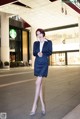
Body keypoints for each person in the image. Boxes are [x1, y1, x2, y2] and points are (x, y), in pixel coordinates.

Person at [30, 28, 52, 116]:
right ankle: (42, 105)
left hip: (44, 63)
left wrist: (43, 53)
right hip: (38, 63)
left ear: (43, 33)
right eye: (37, 34)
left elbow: (50, 51)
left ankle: (34, 105)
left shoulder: (49, 42)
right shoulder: (35, 43)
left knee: (37, 82)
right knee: (39, 84)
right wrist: (37, 53)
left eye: (39, 33)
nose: (38, 35)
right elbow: (34, 53)